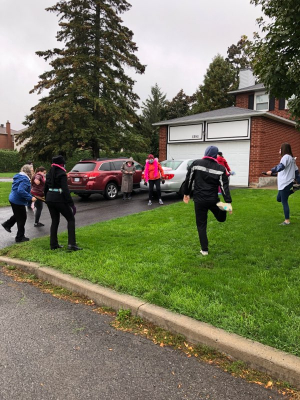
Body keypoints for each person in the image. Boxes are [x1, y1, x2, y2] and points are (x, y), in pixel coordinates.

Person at [183, 146, 232, 256]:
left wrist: (186, 193)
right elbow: (225, 186)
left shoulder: (196, 163)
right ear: (215, 155)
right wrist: (228, 202)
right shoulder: (220, 168)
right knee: (221, 219)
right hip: (212, 199)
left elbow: (189, 179)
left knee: (201, 225)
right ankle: (223, 207)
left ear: (205, 153)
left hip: (199, 200)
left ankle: (204, 250)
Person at [45, 155, 82, 251]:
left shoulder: (49, 173)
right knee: (70, 219)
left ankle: (53, 244)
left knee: (55, 220)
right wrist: (71, 203)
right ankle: (71, 244)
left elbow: (45, 188)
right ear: (62, 164)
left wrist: (47, 198)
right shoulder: (62, 173)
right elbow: (65, 190)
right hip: (59, 198)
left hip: (50, 198)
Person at [264, 143, 298, 225]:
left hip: (285, 183)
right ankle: (294, 190)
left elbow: (281, 167)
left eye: (280, 149)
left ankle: (287, 221)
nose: (279, 150)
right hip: (287, 182)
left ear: (284, 149)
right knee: (279, 198)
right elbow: (295, 171)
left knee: (284, 201)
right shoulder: (291, 159)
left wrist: (272, 170)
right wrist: (272, 173)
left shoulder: (285, 157)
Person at [1, 164, 37, 242]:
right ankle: (19, 237)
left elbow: (20, 189)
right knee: (22, 218)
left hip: (13, 198)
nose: (33, 171)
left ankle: (7, 224)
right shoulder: (25, 179)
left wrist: (30, 195)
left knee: (18, 215)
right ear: (28, 171)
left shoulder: (19, 176)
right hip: (17, 201)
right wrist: (30, 198)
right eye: (32, 170)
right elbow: (21, 190)